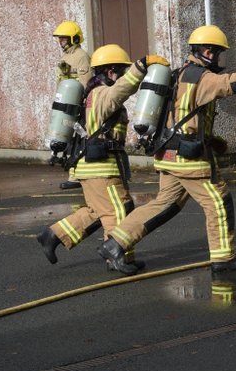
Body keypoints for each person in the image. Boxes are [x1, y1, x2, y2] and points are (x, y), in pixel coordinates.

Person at [98, 25, 236, 275]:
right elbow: (230, 84)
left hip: (168, 155)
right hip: (189, 160)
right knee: (219, 201)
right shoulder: (201, 77)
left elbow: (182, 117)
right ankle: (223, 259)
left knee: (164, 204)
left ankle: (116, 243)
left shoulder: (176, 74)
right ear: (207, 51)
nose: (219, 59)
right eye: (217, 53)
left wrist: (211, 140)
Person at [35, 45, 168, 268]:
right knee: (119, 211)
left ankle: (53, 235)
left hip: (90, 167)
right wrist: (141, 66)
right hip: (102, 169)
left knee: (97, 211)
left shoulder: (92, 94)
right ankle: (119, 258)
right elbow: (122, 89)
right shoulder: (102, 94)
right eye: (121, 71)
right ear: (109, 72)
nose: (124, 75)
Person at [52, 20, 92, 190]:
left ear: (74, 38)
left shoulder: (81, 56)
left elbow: (84, 83)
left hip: (77, 105)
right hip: (66, 104)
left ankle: (76, 177)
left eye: (64, 38)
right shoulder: (65, 56)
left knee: (78, 139)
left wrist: (77, 104)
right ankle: (73, 174)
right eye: (60, 38)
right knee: (68, 139)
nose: (61, 41)